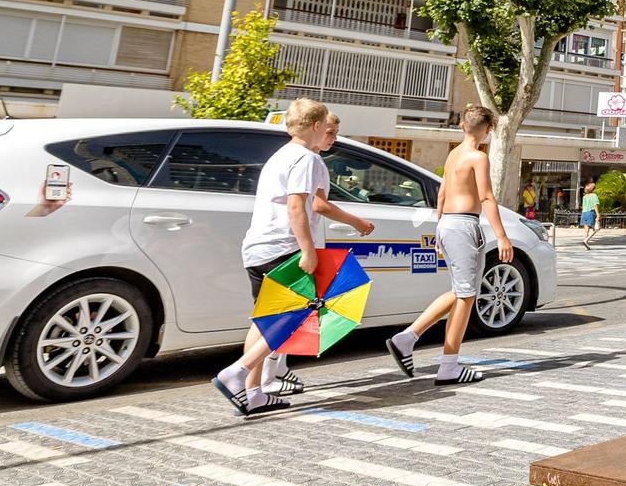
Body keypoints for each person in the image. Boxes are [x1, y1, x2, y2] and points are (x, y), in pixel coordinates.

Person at [212, 99, 373, 418]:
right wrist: (309, 251)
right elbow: (297, 207)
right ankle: (238, 372)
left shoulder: (279, 155)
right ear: (316, 126)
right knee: (298, 314)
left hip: (258, 247)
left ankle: (253, 393)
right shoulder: (307, 159)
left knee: (263, 322)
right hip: (285, 247)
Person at [386, 105, 514, 385]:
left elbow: (442, 195)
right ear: (489, 129)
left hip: (447, 224)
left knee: (460, 291)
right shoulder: (478, 157)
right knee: (467, 297)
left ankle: (407, 338)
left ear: (461, 126)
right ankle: (448, 365)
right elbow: (488, 198)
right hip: (465, 225)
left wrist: (439, 233)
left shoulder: (453, 154)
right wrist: (502, 236)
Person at [579, 180, 601, 248]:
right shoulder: (594, 196)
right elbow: (595, 205)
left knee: (586, 230)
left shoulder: (584, 197)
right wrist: (598, 214)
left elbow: (583, 206)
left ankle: (586, 243)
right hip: (590, 213)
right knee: (596, 228)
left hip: (584, 213)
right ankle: (586, 240)